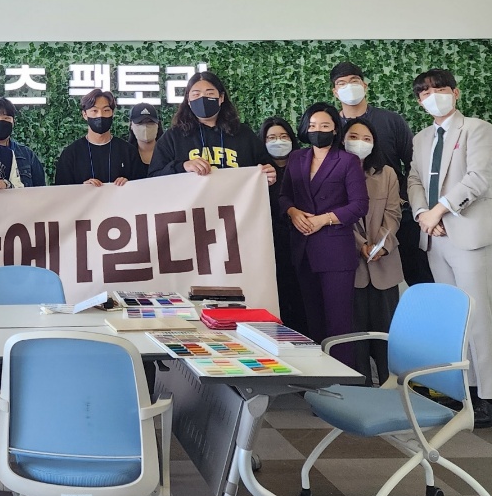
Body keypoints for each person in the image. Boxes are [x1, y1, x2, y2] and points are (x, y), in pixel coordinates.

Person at [408, 69, 492, 428]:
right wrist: (423, 214)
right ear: (419, 101)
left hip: (468, 233)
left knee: (476, 316)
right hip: (434, 235)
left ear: (455, 92)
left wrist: (438, 211)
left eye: (439, 89)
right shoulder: (421, 138)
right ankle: (462, 390)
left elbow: (477, 179)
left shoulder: (477, 129)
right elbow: (414, 180)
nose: (433, 96)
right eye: (425, 93)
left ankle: (488, 399)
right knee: (451, 318)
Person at [276, 102, 368, 365]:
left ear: (335, 129)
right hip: (303, 250)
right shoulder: (297, 158)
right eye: (313, 125)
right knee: (312, 320)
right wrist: (293, 212)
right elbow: (284, 196)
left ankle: (344, 380)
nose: (318, 130)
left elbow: (359, 205)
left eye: (325, 126)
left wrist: (324, 220)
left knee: (338, 322)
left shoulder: (347, 161)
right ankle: (319, 378)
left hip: (335, 252)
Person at [330, 61, 429, 286]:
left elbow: (414, 164)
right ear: (335, 92)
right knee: (358, 284)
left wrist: (404, 199)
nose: (349, 86)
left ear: (364, 85)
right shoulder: (332, 127)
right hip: (351, 219)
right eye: (342, 83)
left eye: (354, 81)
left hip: (396, 212)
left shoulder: (391, 121)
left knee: (419, 277)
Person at [342, 117, 403, 384]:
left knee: (386, 332)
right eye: (354, 137)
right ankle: (362, 386)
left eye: (367, 139)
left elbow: (393, 213)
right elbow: (338, 217)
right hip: (351, 265)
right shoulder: (334, 172)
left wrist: (382, 246)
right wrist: (360, 245)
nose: (360, 143)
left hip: (383, 265)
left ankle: (389, 386)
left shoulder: (387, 174)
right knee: (355, 334)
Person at [150, 71, 276, 186]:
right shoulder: (173, 137)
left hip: (234, 204)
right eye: (196, 94)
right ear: (188, 100)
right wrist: (183, 166)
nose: (202, 98)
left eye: (210, 93)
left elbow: (267, 169)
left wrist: (268, 175)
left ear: (221, 98)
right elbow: (153, 179)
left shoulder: (244, 134)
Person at [260, 115, 307, 334]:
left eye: (283, 136)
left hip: (303, 241)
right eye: (271, 137)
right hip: (270, 246)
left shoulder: (305, 166)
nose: (278, 141)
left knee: (303, 301)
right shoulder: (257, 171)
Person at [54, 89, 143, 185]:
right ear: (85, 114)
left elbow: (140, 187)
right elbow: (62, 190)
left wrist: (129, 185)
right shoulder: (71, 154)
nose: (100, 115)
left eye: (106, 110)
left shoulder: (128, 152)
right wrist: (81, 189)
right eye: (94, 110)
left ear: (112, 113)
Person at [0, 97, 42, 188]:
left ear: (13, 122)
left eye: (6, 118)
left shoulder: (27, 155)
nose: (1, 122)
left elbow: (40, 189)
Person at [128, 102, 160, 177]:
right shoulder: (125, 155)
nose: (145, 127)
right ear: (131, 125)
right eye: (140, 123)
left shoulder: (168, 152)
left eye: (150, 122)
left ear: (157, 125)